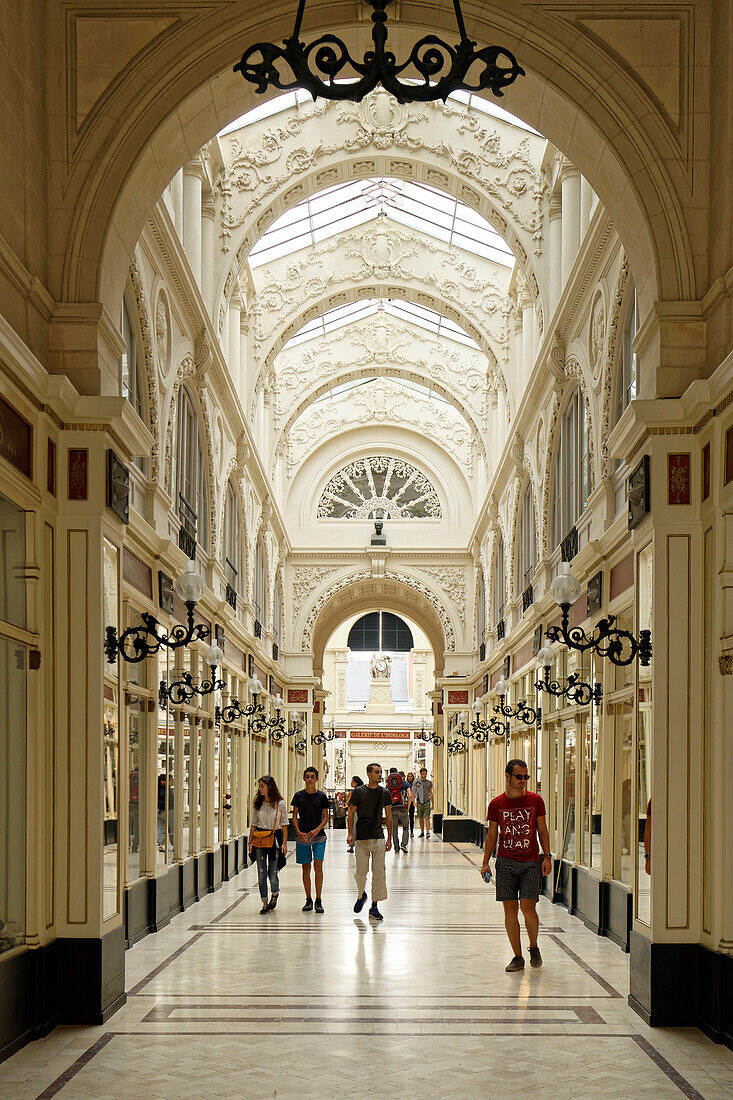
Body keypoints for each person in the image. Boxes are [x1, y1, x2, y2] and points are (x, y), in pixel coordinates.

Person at [480, 758, 552, 973]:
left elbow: (543, 830)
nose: (523, 781)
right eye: (519, 777)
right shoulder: (496, 804)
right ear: (508, 776)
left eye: (526, 777)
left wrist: (546, 856)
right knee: (509, 910)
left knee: (528, 907)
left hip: (530, 861)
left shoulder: (536, 801)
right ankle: (517, 957)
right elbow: (492, 834)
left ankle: (534, 946)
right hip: (505, 862)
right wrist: (485, 862)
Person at [347, 763, 392, 921]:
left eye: (380, 772)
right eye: (377, 772)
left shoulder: (384, 792)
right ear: (368, 774)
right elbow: (350, 813)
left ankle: (374, 906)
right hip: (361, 838)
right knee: (361, 873)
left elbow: (389, 816)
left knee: (379, 873)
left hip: (378, 837)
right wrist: (350, 834)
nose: (380, 775)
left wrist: (390, 839)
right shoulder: (359, 792)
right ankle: (361, 894)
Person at [291, 767, 330, 913]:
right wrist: (298, 832)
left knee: (318, 866)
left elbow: (325, 817)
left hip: (319, 836)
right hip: (303, 836)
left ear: (317, 779)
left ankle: (319, 899)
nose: (309, 779)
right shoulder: (298, 796)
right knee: (305, 867)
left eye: (312, 777)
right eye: (307, 777)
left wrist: (317, 830)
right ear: (304, 778)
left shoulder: (321, 796)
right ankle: (308, 899)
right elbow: (294, 816)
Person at [249, 775, 288, 914]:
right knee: (261, 873)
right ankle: (264, 902)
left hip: (274, 839)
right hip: (259, 839)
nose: (259, 789)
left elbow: (284, 824)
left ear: (269, 787)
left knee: (272, 873)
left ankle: (275, 893)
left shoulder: (280, 804)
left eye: (262, 786)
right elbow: (253, 823)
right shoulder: (257, 804)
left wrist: (284, 843)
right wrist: (250, 842)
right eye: (259, 786)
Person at [386, 767, 411, 853]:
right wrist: (408, 807)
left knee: (394, 829)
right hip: (402, 807)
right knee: (405, 827)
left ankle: (396, 848)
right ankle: (403, 845)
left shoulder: (388, 784)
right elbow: (410, 795)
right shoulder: (404, 783)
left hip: (393, 808)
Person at [340, 776, 363, 853]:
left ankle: (352, 846)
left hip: (353, 812)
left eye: (352, 781)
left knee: (353, 829)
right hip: (361, 812)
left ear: (356, 783)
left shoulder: (352, 792)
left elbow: (348, 802)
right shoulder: (362, 791)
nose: (351, 783)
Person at [412, 767, 434, 837]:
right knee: (420, 818)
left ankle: (428, 832)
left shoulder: (429, 783)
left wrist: (433, 803)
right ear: (420, 774)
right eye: (423, 773)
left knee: (427, 817)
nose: (424, 775)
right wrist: (414, 801)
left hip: (427, 801)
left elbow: (431, 793)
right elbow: (414, 792)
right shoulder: (417, 782)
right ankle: (422, 832)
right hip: (419, 801)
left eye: (425, 773)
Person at [406, 771, 416, 835]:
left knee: (411, 816)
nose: (410, 777)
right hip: (406, 802)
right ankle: (406, 830)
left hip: (412, 801)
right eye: (409, 776)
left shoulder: (414, 785)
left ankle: (411, 831)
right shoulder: (405, 784)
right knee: (406, 817)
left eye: (411, 776)